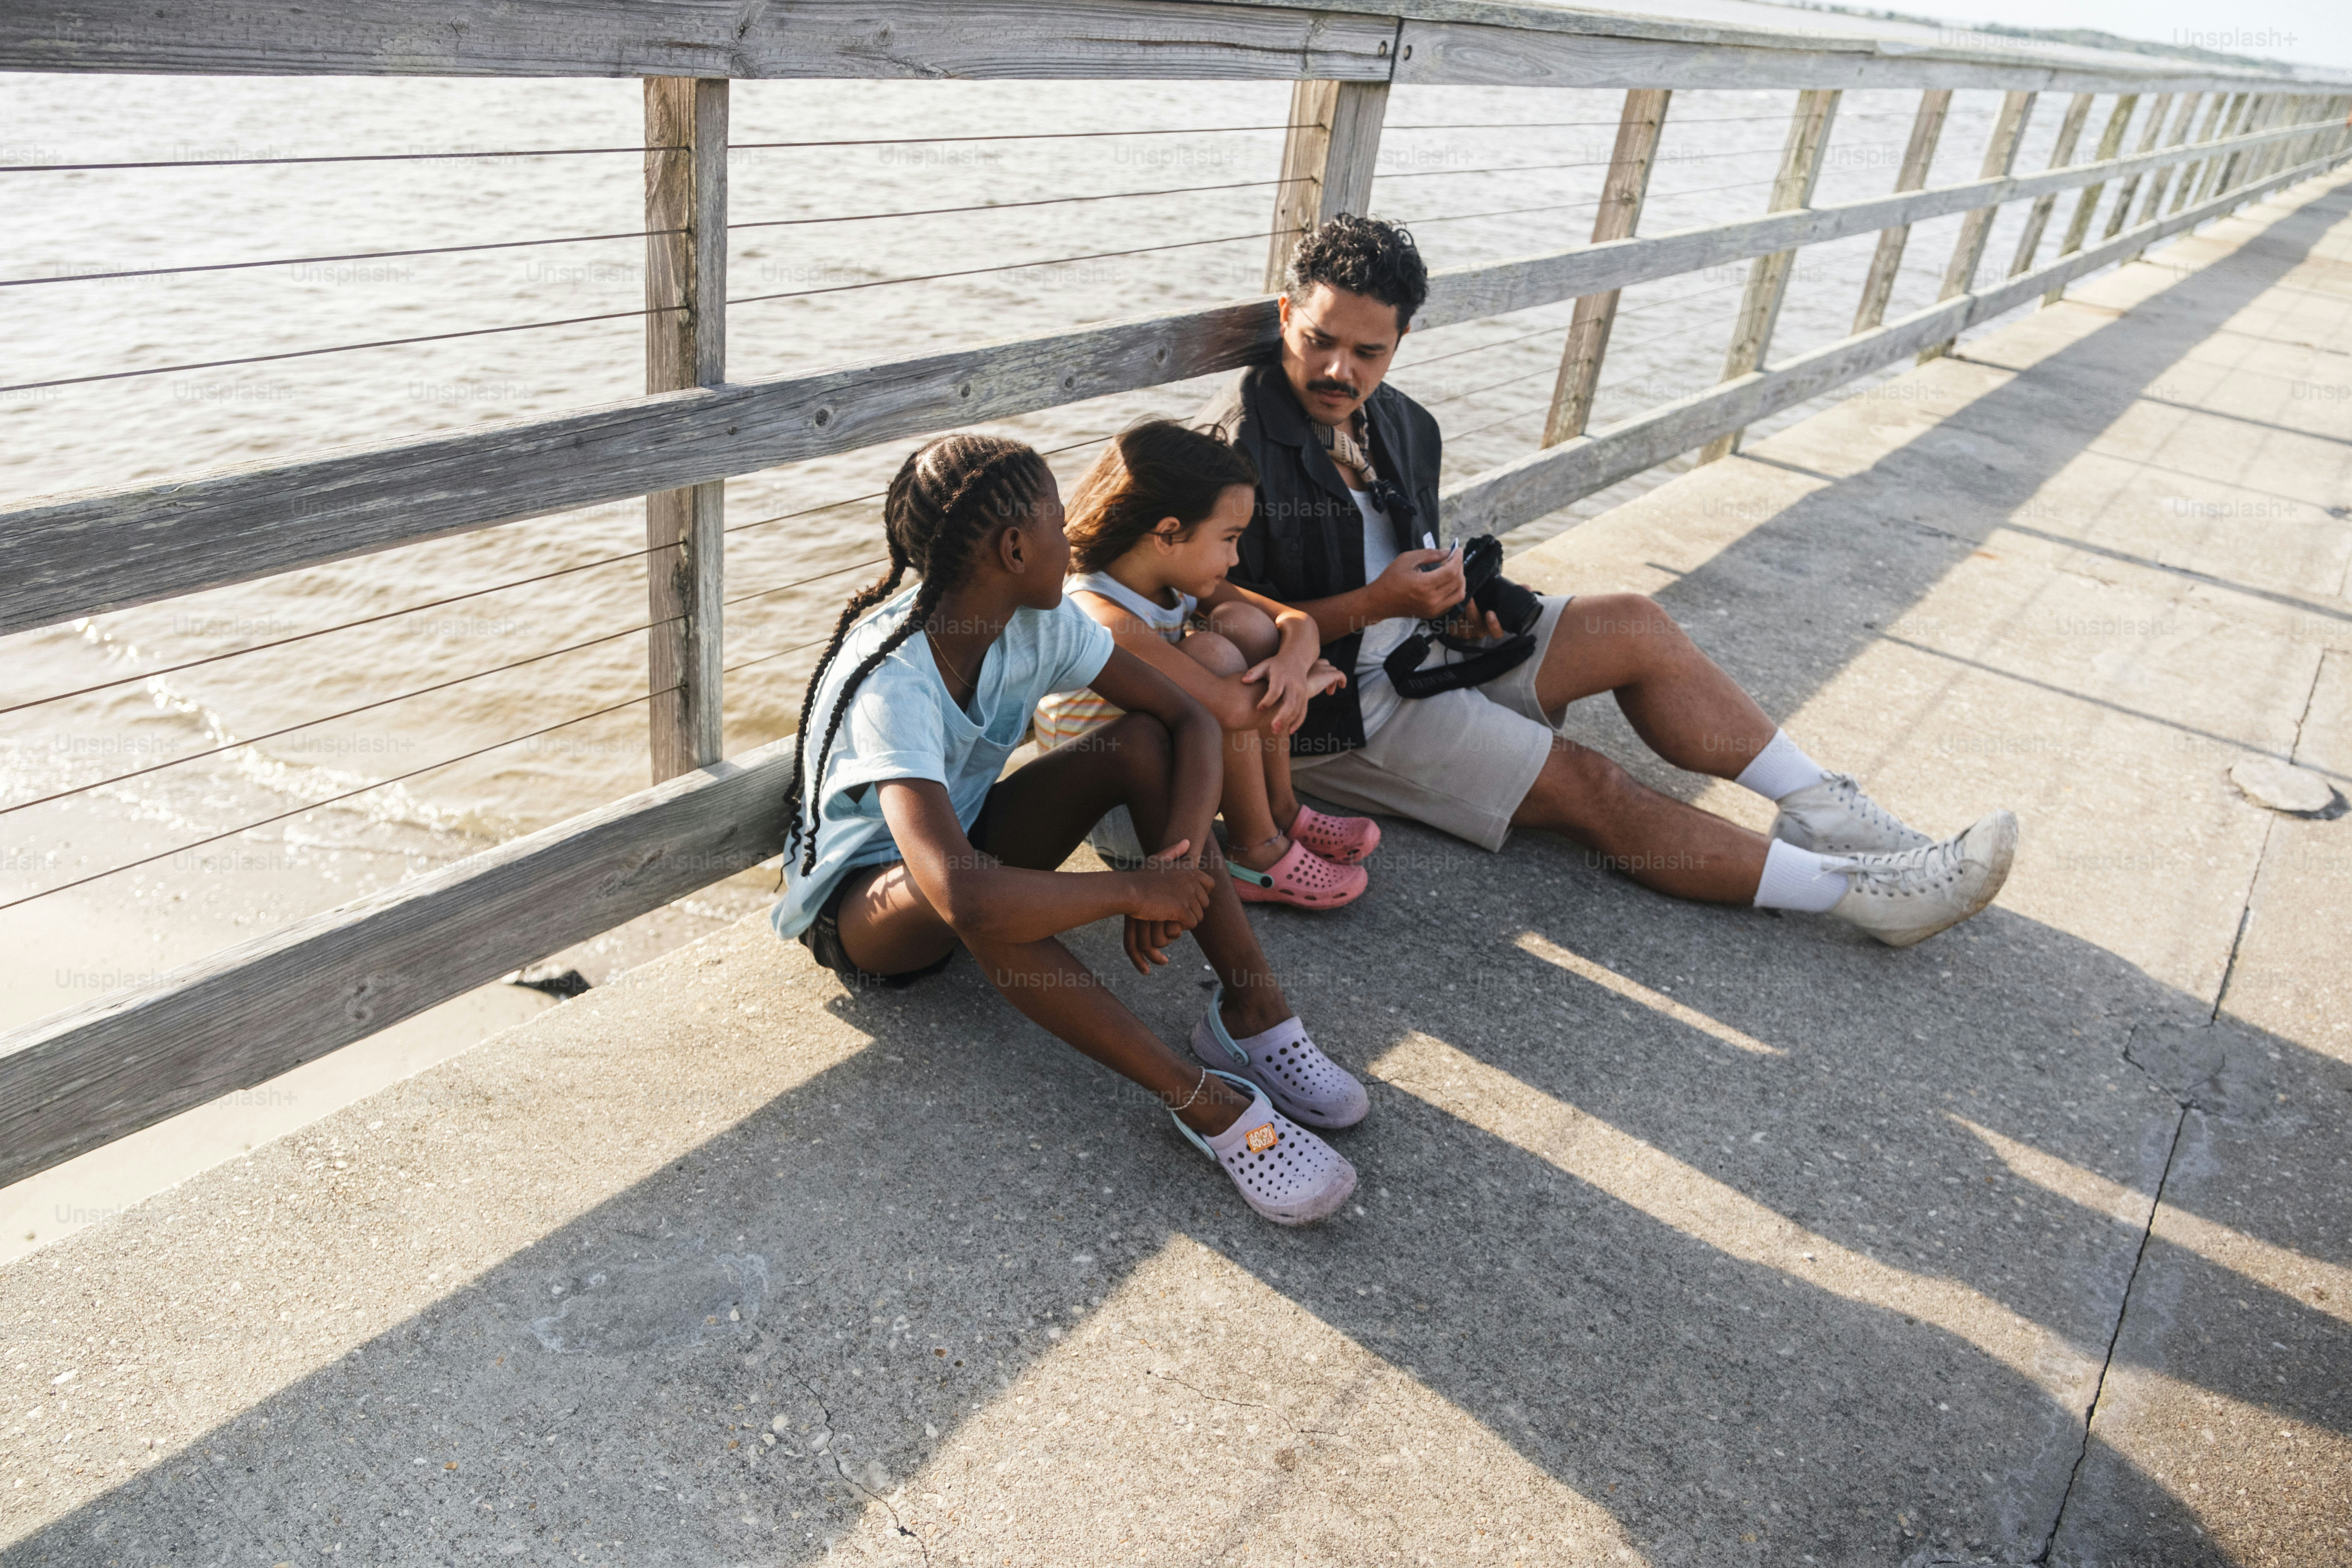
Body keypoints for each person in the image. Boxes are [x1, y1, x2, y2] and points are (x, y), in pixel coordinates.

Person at [1197, 214, 2017, 948]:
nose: (1339, 369)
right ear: (1285, 317)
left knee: (1632, 621)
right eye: (1318, 341)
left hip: (1421, 648)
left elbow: (1402, 550)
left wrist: (1459, 606)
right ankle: (1862, 899)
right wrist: (1380, 605)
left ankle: (1823, 809)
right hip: (1334, 715)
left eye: (1367, 352)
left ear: (1402, 340)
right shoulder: (1236, 447)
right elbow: (1218, 622)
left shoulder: (1405, 423)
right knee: (1592, 786)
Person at [770, 433, 1370, 1225]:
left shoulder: (1036, 620)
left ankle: (1254, 1015)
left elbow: (1186, 718)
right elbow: (963, 894)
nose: (1075, 539)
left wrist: (1177, 871)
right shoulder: (895, 683)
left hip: (969, 842)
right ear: (1015, 548)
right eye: (1059, 523)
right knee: (976, 897)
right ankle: (1208, 1106)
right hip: (870, 914)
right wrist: (1130, 889)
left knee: (1139, 745)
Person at [1034, 420, 1380, 908]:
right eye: (1229, 538)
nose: (1236, 558)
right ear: (1168, 534)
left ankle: (1280, 813)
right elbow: (1229, 711)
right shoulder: (1100, 613)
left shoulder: (1166, 579)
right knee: (1213, 653)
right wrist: (1304, 679)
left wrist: (1290, 667)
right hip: (1118, 814)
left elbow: (1294, 621)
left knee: (1246, 624)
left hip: (1177, 781)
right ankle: (1254, 852)